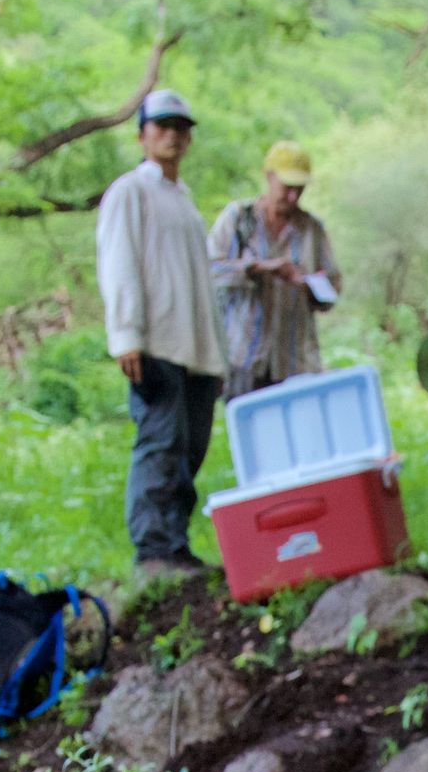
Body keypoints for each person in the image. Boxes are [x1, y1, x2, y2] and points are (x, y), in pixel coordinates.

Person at [96, 86, 225, 574]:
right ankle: (153, 549)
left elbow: (201, 283)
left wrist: (218, 355)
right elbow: (119, 264)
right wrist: (126, 335)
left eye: (179, 128)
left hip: (195, 349)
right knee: (160, 443)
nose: (171, 136)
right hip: (156, 343)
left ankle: (175, 544)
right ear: (142, 135)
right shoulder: (130, 192)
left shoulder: (184, 203)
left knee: (190, 448)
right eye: (162, 127)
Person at [208, 140, 342, 398]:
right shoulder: (238, 218)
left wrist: (312, 285)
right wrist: (258, 268)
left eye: (299, 189)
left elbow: (333, 288)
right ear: (269, 177)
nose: (292, 197)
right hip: (243, 358)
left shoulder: (312, 229)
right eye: (287, 187)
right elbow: (210, 271)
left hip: (294, 362)